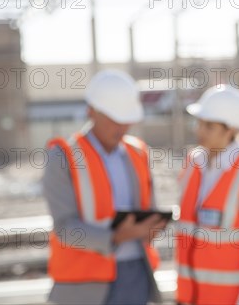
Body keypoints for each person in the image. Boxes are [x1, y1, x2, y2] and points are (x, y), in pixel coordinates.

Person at [42, 69, 168, 305]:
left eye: (126, 120)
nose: (121, 127)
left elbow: (149, 209)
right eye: (113, 118)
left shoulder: (138, 152)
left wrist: (153, 225)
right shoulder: (63, 156)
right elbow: (64, 227)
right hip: (83, 285)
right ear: (91, 110)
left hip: (136, 276)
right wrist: (116, 237)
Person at [175, 84, 239, 305]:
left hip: (228, 299)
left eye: (209, 126)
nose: (199, 130)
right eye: (199, 123)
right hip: (188, 296)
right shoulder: (193, 162)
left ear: (231, 130)